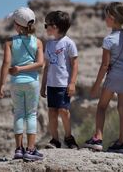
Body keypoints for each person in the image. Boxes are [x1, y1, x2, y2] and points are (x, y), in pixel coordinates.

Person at [83, 2, 123, 152]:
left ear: (111, 18)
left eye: (106, 16)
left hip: (114, 77)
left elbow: (104, 65)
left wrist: (96, 85)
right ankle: (121, 142)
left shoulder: (109, 39)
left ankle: (98, 138)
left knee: (101, 107)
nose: (105, 19)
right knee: (122, 108)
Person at [0, 7, 44, 161]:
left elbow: (5, 64)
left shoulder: (10, 42)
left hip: (16, 82)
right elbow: (40, 64)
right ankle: (31, 150)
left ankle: (18, 149)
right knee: (31, 114)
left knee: (18, 113)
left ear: (17, 25)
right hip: (32, 82)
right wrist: (24, 68)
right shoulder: (37, 42)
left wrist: (2, 85)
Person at [40, 10, 79, 149]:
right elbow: (47, 66)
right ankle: (55, 140)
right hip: (51, 85)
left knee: (64, 111)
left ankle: (69, 137)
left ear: (55, 26)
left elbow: (75, 64)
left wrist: (72, 82)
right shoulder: (49, 45)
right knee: (52, 112)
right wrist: (43, 84)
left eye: (47, 25)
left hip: (64, 84)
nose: (46, 28)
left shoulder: (69, 43)